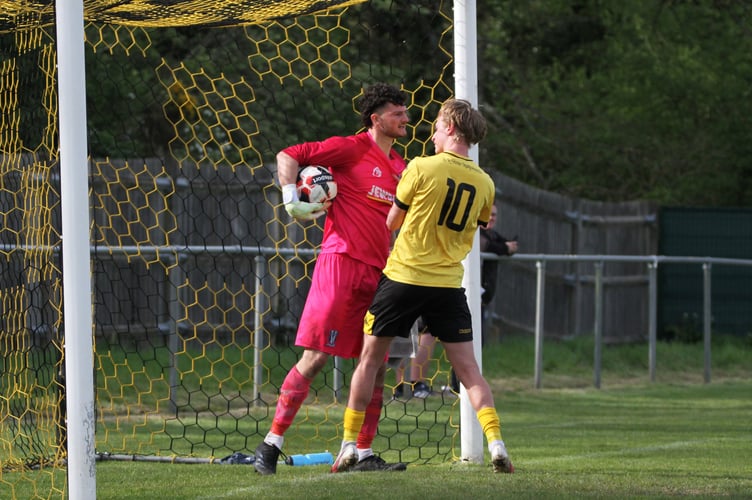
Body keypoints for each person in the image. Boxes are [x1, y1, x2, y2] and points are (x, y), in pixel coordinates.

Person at [332, 98, 514, 474]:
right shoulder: (485, 183)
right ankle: (497, 445)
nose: (430, 132)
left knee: (369, 361)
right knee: (469, 371)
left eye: (435, 125)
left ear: (450, 127)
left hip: (404, 278)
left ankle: (349, 445)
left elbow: (391, 223)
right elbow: (474, 226)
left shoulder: (420, 167)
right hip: (448, 285)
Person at [253, 83, 409, 475]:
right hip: (340, 265)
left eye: (405, 112)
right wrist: (291, 196)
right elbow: (289, 154)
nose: (406, 118)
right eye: (398, 112)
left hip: (382, 274)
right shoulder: (351, 148)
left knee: (375, 364)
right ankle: (271, 444)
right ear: (376, 119)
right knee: (317, 357)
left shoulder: (401, 168)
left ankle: (361, 451)